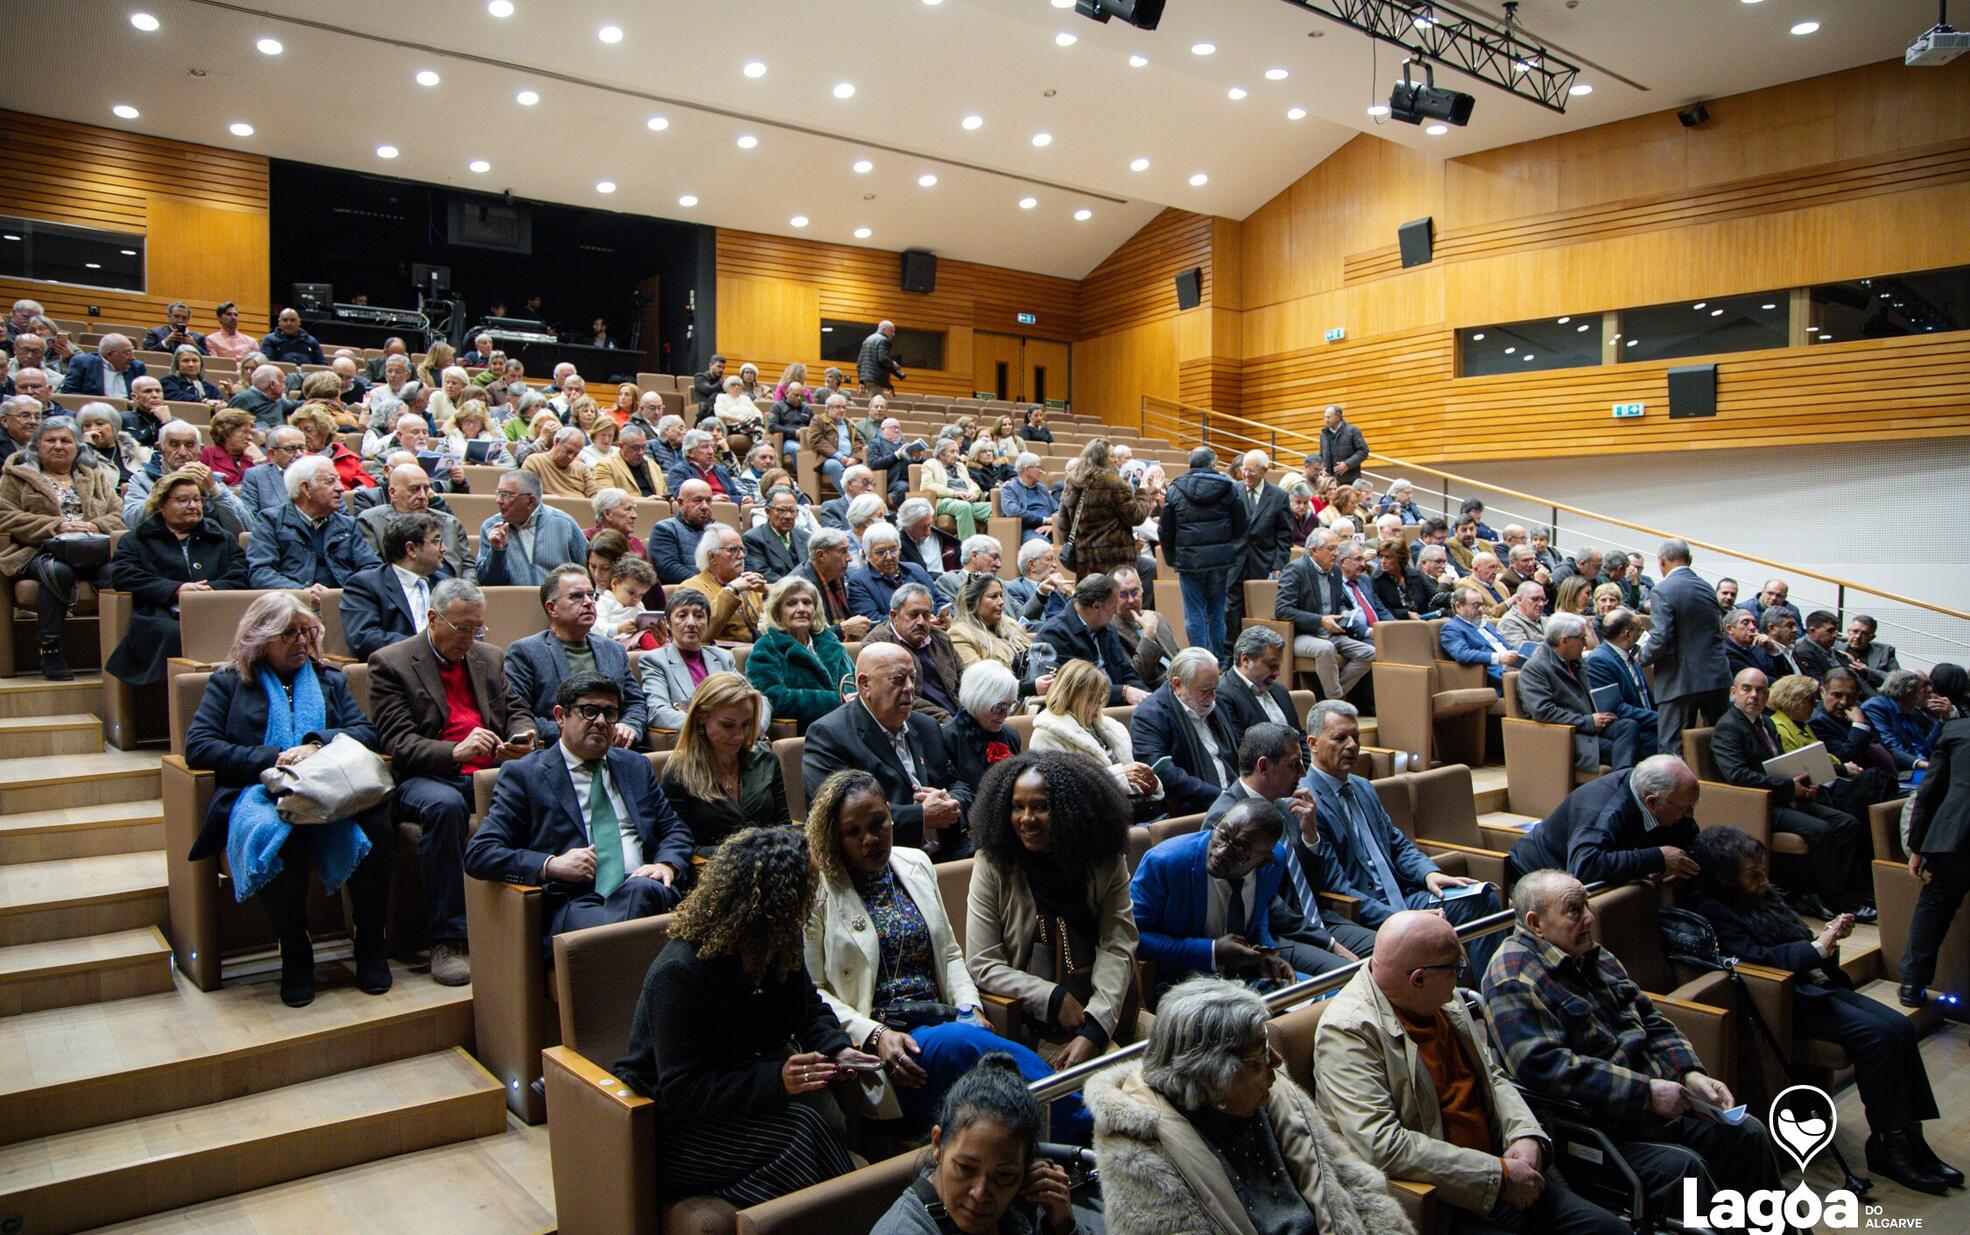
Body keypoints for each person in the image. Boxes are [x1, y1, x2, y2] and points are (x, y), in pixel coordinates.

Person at [1484, 870, 1786, 1220]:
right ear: (1536, 923)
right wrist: (1645, 1093)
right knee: (1685, 1171)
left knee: (1747, 1132)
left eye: (1587, 906)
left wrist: (1688, 1073)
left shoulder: (1594, 955)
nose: (1590, 918)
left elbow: (1651, 1020)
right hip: (1595, 1129)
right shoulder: (1513, 977)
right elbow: (1546, 1069)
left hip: (1655, 1104)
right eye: (1574, 910)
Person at [804, 771, 1087, 1144]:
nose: (870, 839)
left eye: (878, 824)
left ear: (891, 815)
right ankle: (1086, 1118)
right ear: (834, 836)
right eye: (852, 832)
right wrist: (875, 1035)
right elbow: (813, 993)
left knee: (979, 1063)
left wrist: (971, 1008)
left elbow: (951, 955)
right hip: (892, 1048)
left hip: (944, 1020)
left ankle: (1069, 1130)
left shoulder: (915, 864)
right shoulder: (819, 889)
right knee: (964, 1048)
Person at [1316, 909, 1629, 1235]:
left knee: (1612, 1230)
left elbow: (1491, 1075)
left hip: (1506, 1166)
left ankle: (1691, 1212)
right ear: (1418, 978)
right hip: (1448, 1197)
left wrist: (1524, 1133)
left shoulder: (1441, 998)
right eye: (1456, 969)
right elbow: (1383, 1145)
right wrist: (1498, 1175)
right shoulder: (1349, 1030)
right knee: (1684, 1174)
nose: (1461, 978)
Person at [1685, 826, 1957, 1194]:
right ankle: (1888, 1145)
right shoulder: (1713, 909)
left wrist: (1824, 939)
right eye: (1754, 874)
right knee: (1877, 1038)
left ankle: (1911, 1138)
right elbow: (1758, 961)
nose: (1764, 879)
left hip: (1815, 985)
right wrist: (1818, 947)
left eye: (1762, 869)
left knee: (1900, 1027)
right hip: (1786, 1000)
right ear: (1724, 877)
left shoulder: (1757, 896)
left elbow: (1794, 942)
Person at [612, 826, 874, 1207]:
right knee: (801, 1129)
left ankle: (852, 1216)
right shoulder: (680, 972)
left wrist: (836, 1048)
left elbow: (808, 1009)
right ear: (776, 902)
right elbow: (682, 1091)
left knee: (814, 1126)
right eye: (809, 890)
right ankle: (857, 1216)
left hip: (741, 1108)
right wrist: (776, 1080)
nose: (816, 901)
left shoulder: (778, 944)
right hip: (675, 1129)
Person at [183, 593, 393, 1006]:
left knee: (377, 827)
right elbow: (200, 747)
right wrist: (272, 759)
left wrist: (317, 744)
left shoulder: (329, 678)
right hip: (259, 791)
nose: (301, 641)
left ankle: (369, 941)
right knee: (281, 832)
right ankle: (295, 949)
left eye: (307, 631)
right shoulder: (229, 681)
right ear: (260, 638)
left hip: (330, 789)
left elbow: (367, 733)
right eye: (288, 633)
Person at [1089, 976, 1411, 1235]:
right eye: (1259, 1056)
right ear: (1213, 1077)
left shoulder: (1276, 1092)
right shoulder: (1137, 1154)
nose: (1278, 1062)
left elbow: (1352, 1180)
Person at [368, 578, 538, 986]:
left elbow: (516, 710)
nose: (470, 637)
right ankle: (447, 939)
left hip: (489, 772)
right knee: (446, 808)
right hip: (427, 778)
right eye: (462, 628)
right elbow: (397, 743)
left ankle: (540, 917)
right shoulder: (390, 663)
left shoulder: (488, 657)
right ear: (432, 618)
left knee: (545, 784)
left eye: (477, 628)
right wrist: (455, 751)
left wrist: (524, 735)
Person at [464, 669, 692, 938]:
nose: (600, 721)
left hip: (645, 886)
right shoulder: (525, 775)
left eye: (609, 713)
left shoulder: (635, 766)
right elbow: (480, 853)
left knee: (645, 891)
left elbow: (675, 830)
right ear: (560, 716)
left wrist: (666, 864)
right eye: (589, 711)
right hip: (577, 902)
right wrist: (550, 865)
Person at [965, 752, 1141, 1071]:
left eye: (1041, 807)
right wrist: (1052, 998)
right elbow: (982, 963)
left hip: (1107, 1009)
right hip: (1037, 1026)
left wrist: (1097, 1027)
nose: (1026, 819)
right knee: (1124, 1087)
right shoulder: (993, 862)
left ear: (1069, 810)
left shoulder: (1105, 859)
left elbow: (1117, 945)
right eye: (1017, 807)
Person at [1305, 698, 1505, 968]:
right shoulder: (1309, 802)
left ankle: (1487, 994)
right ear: (1313, 744)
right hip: (1370, 911)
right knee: (1429, 931)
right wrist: (1403, 917)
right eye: (1340, 738)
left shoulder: (1363, 787)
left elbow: (1397, 844)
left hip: (1405, 895)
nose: (1351, 745)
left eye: (1355, 736)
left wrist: (1428, 872)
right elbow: (1339, 888)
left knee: (1482, 900)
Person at [1713, 668, 1870, 921]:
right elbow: (1738, 776)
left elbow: (1779, 764)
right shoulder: (1729, 727)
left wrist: (1805, 782)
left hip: (1782, 795)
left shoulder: (1765, 723)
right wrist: (1789, 787)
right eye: (1747, 689)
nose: (1754, 695)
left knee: (1847, 824)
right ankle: (1828, 899)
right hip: (1756, 804)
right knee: (1821, 831)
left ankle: (1830, 890)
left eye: (1761, 690)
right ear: (1734, 693)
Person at [869, 1051, 1081, 1235]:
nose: (980, 1193)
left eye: (1004, 1175)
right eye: (965, 1168)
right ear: (937, 1144)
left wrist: (1063, 1225)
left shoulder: (1020, 1206)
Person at [804, 643, 972, 854]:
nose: (910, 687)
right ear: (865, 685)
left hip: (949, 848)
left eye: (913, 678)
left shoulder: (926, 726)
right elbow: (838, 814)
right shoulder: (829, 735)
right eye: (899, 679)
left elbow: (959, 785)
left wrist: (951, 802)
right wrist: (920, 816)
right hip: (882, 859)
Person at [0, 416, 124, 679]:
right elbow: (4, 515)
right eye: (50, 440)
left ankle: (125, 649)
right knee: (59, 572)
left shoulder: (94, 476)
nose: (58, 446)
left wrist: (93, 526)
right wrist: (55, 526)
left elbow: (118, 514)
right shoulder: (17, 477)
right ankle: (50, 649)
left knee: (119, 572)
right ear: (37, 446)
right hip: (37, 550)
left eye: (65, 440)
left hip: (92, 548)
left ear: (77, 446)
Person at [1132, 800, 1301, 990]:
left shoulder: (1275, 861)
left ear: (1263, 860)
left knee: (1323, 997)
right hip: (1182, 982)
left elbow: (1260, 911)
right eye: (1222, 834)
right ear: (1220, 820)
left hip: (1244, 974)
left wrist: (1265, 954)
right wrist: (1211, 952)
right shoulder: (1164, 862)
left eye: (1239, 848)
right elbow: (1132, 935)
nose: (1221, 852)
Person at [103, 469, 249, 686]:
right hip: (161, 612)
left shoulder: (220, 537)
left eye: (197, 499)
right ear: (161, 506)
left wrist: (211, 590)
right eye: (183, 500)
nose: (193, 506)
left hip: (216, 609)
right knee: (173, 634)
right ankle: (174, 698)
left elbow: (240, 573)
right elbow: (124, 575)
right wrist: (176, 590)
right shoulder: (138, 539)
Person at [505, 564, 649, 748]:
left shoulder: (614, 650)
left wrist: (630, 725)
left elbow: (635, 703)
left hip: (615, 751)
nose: (588, 602)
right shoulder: (525, 652)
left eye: (591, 595)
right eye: (576, 596)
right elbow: (519, 714)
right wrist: (578, 732)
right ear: (552, 608)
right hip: (556, 753)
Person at [1504, 754, 1702, 886]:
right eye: (1685, 809)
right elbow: (1585, 866)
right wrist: (1655, 859)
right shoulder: (1603, 811)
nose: (1689, 816)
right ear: (1651, 802)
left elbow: (1690, 840)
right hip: (1536, 877)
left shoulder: (1662, 795)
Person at [657, 671, 791, 854]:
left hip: (771, 868)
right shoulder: (680, 771)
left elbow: (784, 827)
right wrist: (738, 855)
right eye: (727, 725)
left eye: (746, 724)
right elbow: (678, 845)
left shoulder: (766, 759)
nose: (739, 736)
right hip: (710, 873)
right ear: (701, 718)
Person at [1900, 663, 1970, 1009]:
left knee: (1934, 908)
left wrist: (1916, 848)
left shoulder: (1957, 731)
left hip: (1955, 837)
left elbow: (1929, 794)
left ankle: (1912, 985)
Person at [1634, 539, 1730, 755]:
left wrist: (1642, 657)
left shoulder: (1662, 590)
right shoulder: (1706, 587)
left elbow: (1660, 637)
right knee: (1718, 744)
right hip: (1716, 676)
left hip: (1680, 679)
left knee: (1671, 745)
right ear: (1690, 560)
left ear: (1661, 561)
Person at [1515, 614, 1642, 774]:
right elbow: (1543, 711)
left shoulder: (1576, 662)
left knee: (1629, 726)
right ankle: (1622, 782)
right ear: (1564, 640)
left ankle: (1621, 779)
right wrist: (1587, 721)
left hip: (1588, 725)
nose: (1586, 644)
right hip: (1567, 733)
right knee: (1627, 750)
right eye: (1582, 638)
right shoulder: (1536, 668)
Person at [1032, 660, 1162, 812]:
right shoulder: (1045, 735)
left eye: (1100, 697)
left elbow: (1132, 773)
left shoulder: (1111, 727)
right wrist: (1119, 776)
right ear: (1070, 696)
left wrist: (1150, 784)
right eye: (1091, 699)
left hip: (1136, 810)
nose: (1098, 705)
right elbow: (1062, 793)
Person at [245, 455, 378, 594]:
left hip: (343, 602)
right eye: (331, 481)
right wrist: (303, 592)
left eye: (338, 480)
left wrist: (348, 592)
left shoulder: (348, 524)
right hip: (292, 603)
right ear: (306, 488)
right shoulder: (270, 521)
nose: (340, 488)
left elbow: (371, 567)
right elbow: (260, 573)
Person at [1131, 647, 1239, 816]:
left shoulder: (1217, 704)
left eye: (1215, 689)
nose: (1212, 698)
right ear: (1178, 684)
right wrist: (1222, 798)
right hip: (1193, 808)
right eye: (1204, 691)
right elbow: (1163, 771)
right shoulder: (1150, 715)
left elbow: (1239, 749)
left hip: (1234, 796)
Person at [1277, 528, 1378, 701]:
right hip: (1302, 635)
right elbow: (1282, 610)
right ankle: (1335, 701)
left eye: (1337, 548)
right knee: (1326, 648)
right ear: (1315, 550)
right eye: (1331, 549)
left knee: (1370, 652)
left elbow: (1335, 602)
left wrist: (1343, 612)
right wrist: (1320, 621)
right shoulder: (1296, 569)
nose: (1336, 553)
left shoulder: (1335, 571)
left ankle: (1328, 698)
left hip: (1331, 633)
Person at [744, 574, 855, 731]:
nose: (801, 609)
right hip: (810, 732)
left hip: (851, 724)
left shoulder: (830, 641)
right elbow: (773, 698)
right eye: (791, 604)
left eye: (807, 603)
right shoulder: (767, 647)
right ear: (777, 612)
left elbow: (853, 680)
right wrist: (838, 701)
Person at [339, 512, 450, 662]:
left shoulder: (445, 584)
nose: (444, 548)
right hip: (396, 670)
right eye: (436, 541)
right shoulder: (365, 585)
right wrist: (426, 647)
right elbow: (364, 638)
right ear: (411, 549)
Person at [1032, 573, 1149, 706]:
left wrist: (1146, 696)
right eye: (1112, 608)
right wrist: (1123, 692)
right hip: (1081, 713)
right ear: (1097, 607)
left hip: (1117, 704)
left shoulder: (1107, 629)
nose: (1115, 612)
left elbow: (1126, 671)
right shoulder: (1054, 634)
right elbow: (1074, 687)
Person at [640, 589, 743, 735]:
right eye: (682, 616)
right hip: (692, 740)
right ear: (667, 623)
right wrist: (713, 726)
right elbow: (658, 712)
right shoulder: (655, 660)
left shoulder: (724, 657)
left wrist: (755, 726)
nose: (691, 623)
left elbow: (756, 699)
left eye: (699, 616)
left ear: (707, 622)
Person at [123, 418, 250, 535]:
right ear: (160, 448)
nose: (183, 452)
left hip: (208, 547)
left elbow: (246, 527)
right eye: (174, 445)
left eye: (189, 445)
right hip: (159, 545)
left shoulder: (210, 479)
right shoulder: (142, 479)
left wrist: (215, 489)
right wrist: (168, 484)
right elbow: (132, 523)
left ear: (200, 450)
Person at [868, 583, 966, 723]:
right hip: (918, 725)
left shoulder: (941, 638)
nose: (921, 622)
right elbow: (896, 697)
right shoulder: (877, 645)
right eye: (913, 615)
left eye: (926, 615)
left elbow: (964, 678)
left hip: (958, 717)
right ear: (894, 616)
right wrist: (948, 720)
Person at [1057, 438, 1152, 581]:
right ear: (1100, 459)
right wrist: (1143, 492)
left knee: (1091, 600)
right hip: (1115, 561)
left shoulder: (1072, 482)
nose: (1115, 460)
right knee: (1118, 599)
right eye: (1111, 456)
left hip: (1084, 561)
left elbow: (1063, 524)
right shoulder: (1113, 483)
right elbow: (1136, 516)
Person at [473, 468, 587, 586]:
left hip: (559, 602)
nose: (498, 501)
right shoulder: (491, 527)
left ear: (530, 501)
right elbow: (488, 581)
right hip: (512, 603)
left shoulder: (564, 523)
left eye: (506, 495)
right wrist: (497, 552)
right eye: (498, 493)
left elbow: (588, 569)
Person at [673, 521, 765, 643]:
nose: (742, 555)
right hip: (724, 657)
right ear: (712, 557)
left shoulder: (750, 584)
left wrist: (769, 592)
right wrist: (732, 590)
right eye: (733, 550)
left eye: (742, 549)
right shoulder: (689, 589)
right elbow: (701, 635)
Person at [945, 660, 1024, 794]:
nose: (1005, 715)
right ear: (976, 700)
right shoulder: (948, 738)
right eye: (998, 707)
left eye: (1010, 706)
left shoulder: (1011, 735)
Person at [1215, 625, 1301, 746]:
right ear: (1245, 659)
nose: (1277, 673)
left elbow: (1300, 739)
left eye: (1278, 665)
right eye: (1272, 665)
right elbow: (1242, 751)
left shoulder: (1280, 690)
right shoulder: (1223, 694)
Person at [849, 521, 943, 621]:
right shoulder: (859, 582)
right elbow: (872, 620)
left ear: (900, 550)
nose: (889, 557)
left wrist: (943, 615)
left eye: (893, 550)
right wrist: (921, 620)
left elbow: (939, 600)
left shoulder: (916, 570)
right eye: (880, 552)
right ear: (867, 554)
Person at [948, 571, 1033, 674]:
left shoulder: (1009, 624)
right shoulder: (959, 634)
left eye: (1001, 595)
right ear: (972, 602)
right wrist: (1031, 686)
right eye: (994, 596)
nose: (1001, 602)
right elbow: (981, 679)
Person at [1108, 566, 1176, 690]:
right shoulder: (1111, 630)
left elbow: (1176, 654)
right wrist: (1148, 638)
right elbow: (1134, 677)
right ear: (1112, 598)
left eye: (1135, 592)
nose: (1131, 600)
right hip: (1159, 690)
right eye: (1122, 595)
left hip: (1182, 680)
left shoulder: (1156, 617)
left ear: (1142, 589)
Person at [1862, 668, 1943, 771]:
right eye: (1918, 692)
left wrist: (1942, 720)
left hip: (1923, 764)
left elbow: (1925, 745)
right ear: (1909, 694)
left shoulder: (1909, 709)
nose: (1920, 696)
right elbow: (1890, 746)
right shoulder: (1875, 707)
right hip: (1902, 771)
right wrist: (1923, 764)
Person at [737, 484, 807, 583]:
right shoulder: (752, 539)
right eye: (781, 510)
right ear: (768, 512)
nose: (788, 516)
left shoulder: (806, 537)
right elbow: (761, 575)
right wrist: (797, 587)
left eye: (792, 510)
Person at [999, 452, 1060, 547]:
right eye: (1038, 467)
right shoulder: (1009, 487)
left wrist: (1053, 526)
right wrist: (1044, 520)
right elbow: (1013, 511)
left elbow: (1057, 510)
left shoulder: (1042, 488)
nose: (1041, 471)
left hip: (1050, 528)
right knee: (1042, 545)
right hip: (1028, 529)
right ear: (1027, 469)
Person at [59, 333, 145, 397]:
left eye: (132, 351)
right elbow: (68, 393)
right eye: (127, 353)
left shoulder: (137, 367)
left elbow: (145, 395)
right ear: (110, 354)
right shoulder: (84, 363)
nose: (132, 358)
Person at [1841, 615, 1899, 696]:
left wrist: (1868, 672)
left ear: (1872, 637)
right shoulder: (1834, 645)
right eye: (1855, 631)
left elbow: (1897, 679)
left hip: (1870, 697)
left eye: (1864, 633)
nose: (1858, 637)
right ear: (1848, 631)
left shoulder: (1885, 651)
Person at [1318, 403, 1369, 480]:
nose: (1326, 420)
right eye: (1325, 417)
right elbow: (1321, 455)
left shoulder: (1352, 431)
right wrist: (1321, 468)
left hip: (1349, 480)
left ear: (1338, 417)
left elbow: (1363, 451)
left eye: (1328, 417)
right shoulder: (1323, 434)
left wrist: (1347, 464)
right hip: (1329, 482)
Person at [260, 308, 324, 366]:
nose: (288, 323)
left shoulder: (311, 341)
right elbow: (266, 365)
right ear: (279, 322)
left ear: (299, 322)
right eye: (285, 320)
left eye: (292, 320)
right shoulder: (269, 340)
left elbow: (322, 365)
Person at [859, 320, 905, 395]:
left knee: (880, 401)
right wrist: (893, 364)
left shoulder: (867, 340)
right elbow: (883, 359)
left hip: (867, 378)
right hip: (876, 378)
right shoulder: (883, 340)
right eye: (892, 331)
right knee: (876, 403)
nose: (893, 334)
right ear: (884, 330)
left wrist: (861, 381)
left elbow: (859, 362)